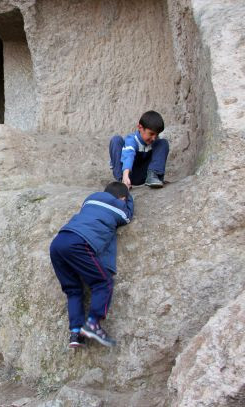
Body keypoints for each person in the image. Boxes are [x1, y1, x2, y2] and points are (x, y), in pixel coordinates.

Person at [49, 182, 134, 348]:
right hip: (79, 243)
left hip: (58, 244)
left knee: (73, 290)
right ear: (121, 198)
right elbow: (127, 217)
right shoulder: (118, 205)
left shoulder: (90, 199)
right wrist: (129, 198)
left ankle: (75, 333)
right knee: (103, 282)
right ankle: (93, 323)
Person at [109, 111, 169, 189]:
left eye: (156, 135)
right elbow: (128, 155)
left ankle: (153, 176)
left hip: (146, 174)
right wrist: (125, 175)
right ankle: (122, 181)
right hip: (128, 174)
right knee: (116, 140)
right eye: (151, 134)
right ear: (140, 128)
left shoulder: (156, 142)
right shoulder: (132, 140)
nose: (154, 138)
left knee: (163, 143)